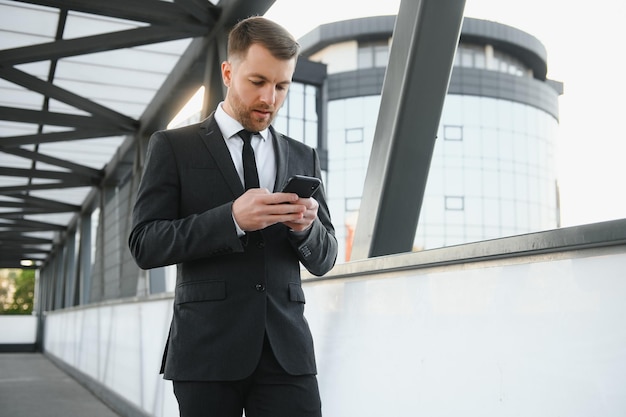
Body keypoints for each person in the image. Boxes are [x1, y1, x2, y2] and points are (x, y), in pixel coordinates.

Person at [128, 16, 338, 417]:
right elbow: (145, 243)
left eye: (281, 86)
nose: (270, 98)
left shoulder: (302, 154)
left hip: (287, 354)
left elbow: (325, 259)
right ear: (228, 71)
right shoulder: (173, 147)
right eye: (257, 82)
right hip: (206, 351)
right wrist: (232, 219)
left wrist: (306, 228)